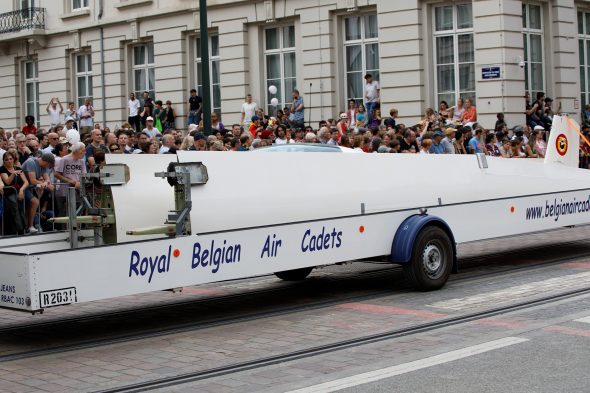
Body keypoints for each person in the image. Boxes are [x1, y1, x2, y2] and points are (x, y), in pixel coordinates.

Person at [22, 153, 55, 233]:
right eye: (48, 165)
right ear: (46, 162)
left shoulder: (43, 166)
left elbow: (47, 179)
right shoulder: (31, 162)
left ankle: (28, 227)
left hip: (30, 188)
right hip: (23, 186)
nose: (47, 167)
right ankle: (30, 226)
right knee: (35, 202)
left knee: (31, 206)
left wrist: (46, 183)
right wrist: (44, 183)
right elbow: (33, 180)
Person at [54, 142, 86, 219]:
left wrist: (80, 182)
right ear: (76, 150)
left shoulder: (81, 161)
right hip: (65, 191)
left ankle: (76, 228)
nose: (84, 152)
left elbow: (84, 175)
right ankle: (65, 229)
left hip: (78, 190)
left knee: (77, 212)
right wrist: (70, 181)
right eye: (83, 150)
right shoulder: (64, 159)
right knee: (65, 213)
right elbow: (57, 174)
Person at [0, 150, 28, 235]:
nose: (9, 161)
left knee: (21, 210)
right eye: (7, 159)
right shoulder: (2, 169)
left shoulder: (18, 168)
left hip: (19, 193)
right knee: (15, 210)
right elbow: (7, 182)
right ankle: (18, 229)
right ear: (4, 161)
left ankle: (23, 228)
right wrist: (13, 174)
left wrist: (21, 190)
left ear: (13, 159)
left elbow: (26, 182)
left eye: (10, 159)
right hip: (8, 194)